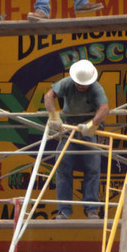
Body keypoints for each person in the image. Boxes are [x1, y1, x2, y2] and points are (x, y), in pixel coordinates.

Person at [44, 59, 110, 219]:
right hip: (69, 129)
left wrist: (93, 125)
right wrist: (53, 117)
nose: (81, 86)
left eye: (84, 84)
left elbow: (105, 108)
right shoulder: (67, 83)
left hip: (87, 131)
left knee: (93, 169)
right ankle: (63, 210)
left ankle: (91, 209)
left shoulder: (95, 87)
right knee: (63, 168)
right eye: (79, 84)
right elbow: (48, 96)